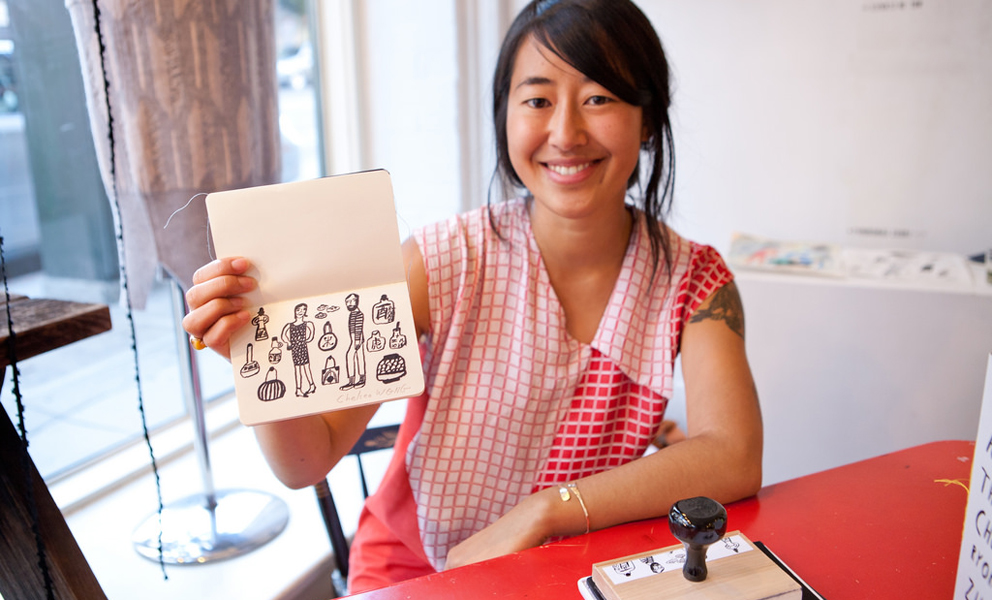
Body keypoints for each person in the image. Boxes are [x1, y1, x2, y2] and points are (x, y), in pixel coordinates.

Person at [182, 0, 762, 593]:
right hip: (414, 565)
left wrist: (546, 509)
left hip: (570, 565)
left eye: (599, 98)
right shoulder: (440, 262)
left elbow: (734, 453)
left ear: (647, 118)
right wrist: (260, 363)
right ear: (503, 118)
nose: (565, 133)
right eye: (537, 100)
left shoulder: (695, 278)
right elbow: (305, 462)